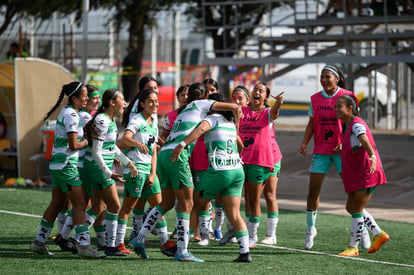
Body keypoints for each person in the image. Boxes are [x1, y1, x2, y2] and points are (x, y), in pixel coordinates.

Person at [129, 82, 240, 262]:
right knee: (187, 204)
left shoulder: (183, 110)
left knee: (166, 202)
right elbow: (232, 107)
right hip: (177, 156)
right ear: (204, 97)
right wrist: (236, 112)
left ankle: (139, 239)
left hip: (164, 154)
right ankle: (182, 251)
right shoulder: (202, 104)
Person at [170, 93, 252, 262]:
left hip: (220, 170)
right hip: (237, 170)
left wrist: (182, 144)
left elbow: (200, 130)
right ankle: (244, 253)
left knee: (192, 204)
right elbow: (241, 145)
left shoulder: (212, 119)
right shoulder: (230, 122)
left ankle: (179, 247)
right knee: (235, 214)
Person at [298, 65, 370, 251]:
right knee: (313, 191)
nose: (323, 80)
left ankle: (363, 230)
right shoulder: (315, 98)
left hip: (343, 151)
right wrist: (305, 142)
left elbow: (356, 121)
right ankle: (310, 229)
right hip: (321, 150)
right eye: (321, 77)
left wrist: (346, 143)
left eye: (327, 76)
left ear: (337, 78)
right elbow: (311, 123)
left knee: (353, 193)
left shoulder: (348, 95)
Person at [30, 81, 104, 258]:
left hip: (58, 165)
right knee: (79, 204)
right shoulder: (71, 114)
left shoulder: (70, 112)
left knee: (57, 204)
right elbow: (73, 144)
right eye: (84, 96)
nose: (86, 99)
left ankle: (39, 242)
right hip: (66, 166)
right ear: (74, 98)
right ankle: (84, 246)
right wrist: (88, 140)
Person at [116, 88, 176, 256]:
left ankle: (164, 243)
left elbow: (154, 150)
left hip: (148, 171)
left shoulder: (154, 121)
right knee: (127, 208)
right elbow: (125, 139)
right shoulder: (137, 119)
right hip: (135, 170)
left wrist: (153, 172)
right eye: (151, 101)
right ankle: (118, 244)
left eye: (156, 101)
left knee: (160, 207)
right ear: (142, 104)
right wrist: (137, 144)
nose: (155, 104)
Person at [83, 89, 138, 256]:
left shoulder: (110, 120)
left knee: (98, 207)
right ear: (112, 103)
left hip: (101, 168)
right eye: (122, 99)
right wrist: (109, 173)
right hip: (97, 168)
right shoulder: (101, 120)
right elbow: (96, 152)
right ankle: (111, 246)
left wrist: (128, 163)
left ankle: (75, 237)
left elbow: (111, 147)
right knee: (115, 205)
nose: (125, 104)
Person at [335, 94, 389, 257]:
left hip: (368, 173)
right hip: (360, 173)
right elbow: (356, 143)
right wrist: (343, 147)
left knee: (356, 209)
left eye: (340, 106)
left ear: (350, 108)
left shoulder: (356, 124)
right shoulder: (348, 124)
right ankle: (379, 234)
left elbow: (364, 140)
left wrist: (372, 156)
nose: (336, 109)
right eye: (336, 106)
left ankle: (353, 247)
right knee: (351, 207)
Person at [238, 83, 284, 248]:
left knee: (268, 196)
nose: (256, 92)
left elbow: (275, 112)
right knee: (249, 197)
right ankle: (247, 232)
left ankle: (267, 234)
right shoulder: (242, 111)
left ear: (266, 97)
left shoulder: (267, 112)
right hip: (245, 159)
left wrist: (278, 102)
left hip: (268, 158)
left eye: (261, 91)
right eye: (255, 89)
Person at [219, 85, 250, 245]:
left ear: (247, 100)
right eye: (234, 98)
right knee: (224, 197)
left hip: (250, 161)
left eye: (241, 98)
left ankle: (251, 234)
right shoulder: (226, 116)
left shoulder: (252, 115)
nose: (237, 101)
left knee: (250, 199)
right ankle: (231, 228)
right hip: (230, 163)